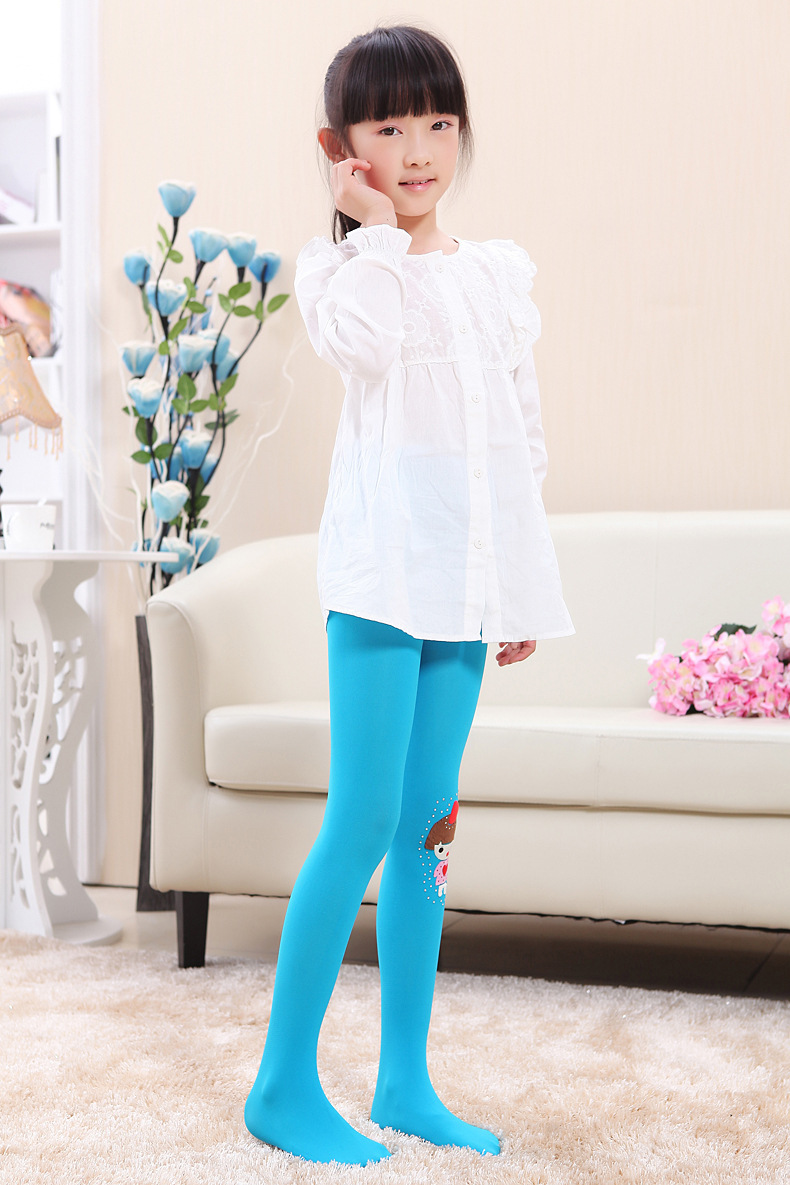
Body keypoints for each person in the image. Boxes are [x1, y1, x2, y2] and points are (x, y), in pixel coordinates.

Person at [244, 21, 575, 1167]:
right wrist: (375, 231)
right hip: (384, 583)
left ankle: (403, 1081)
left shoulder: (496, 275)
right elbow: (367, 353)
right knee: (363, 819)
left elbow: (518, 440)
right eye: (390, 127)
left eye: (438, 122)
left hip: (464, 590)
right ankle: (282, 1086)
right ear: (341, 148)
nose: (421, 149)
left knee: (430, 828)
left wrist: (514, 585)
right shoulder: (340, 272)